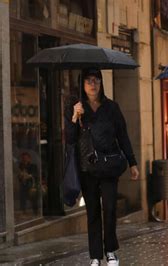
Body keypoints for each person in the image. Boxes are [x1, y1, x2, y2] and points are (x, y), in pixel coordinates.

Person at [65, 68, 139, 266]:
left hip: (108, 167)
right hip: (87, 169)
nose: (92, 84)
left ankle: (111, 251)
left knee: (110, 208)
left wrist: (132, 163)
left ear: (101, 83)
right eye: (88, 80)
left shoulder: (111, 107)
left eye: (96, 80)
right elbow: (70, 140)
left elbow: (122, 135)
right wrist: (74, 117)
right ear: (82, 84)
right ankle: (95, 256)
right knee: (93, 213)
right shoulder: (77, 108)